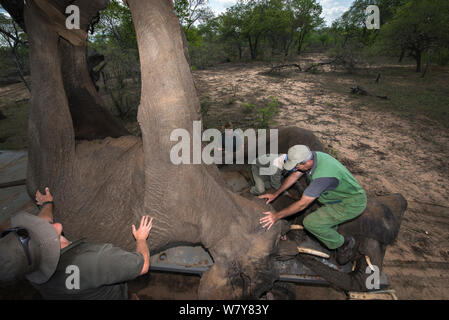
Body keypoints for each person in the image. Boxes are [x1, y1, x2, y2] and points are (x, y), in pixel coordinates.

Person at [0, 187, 153, 299]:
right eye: (47, 233)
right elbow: (143, 265)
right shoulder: (95, 259)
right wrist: (140, 239)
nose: (58, 226)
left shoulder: (30, 270)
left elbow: (43, 223)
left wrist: (47, 204)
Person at [258, 145, 367, 264]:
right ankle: (330, 234)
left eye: (296, 166)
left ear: (307, 162)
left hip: (350, 203)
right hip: (334, 197)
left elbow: (302, 205)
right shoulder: (313, 156)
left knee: (311, 223)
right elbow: (295, 175)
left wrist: (276, 216)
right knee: (324, 222)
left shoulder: (323, 176)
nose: (294, 169)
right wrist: (275, 194)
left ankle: (343, 243)